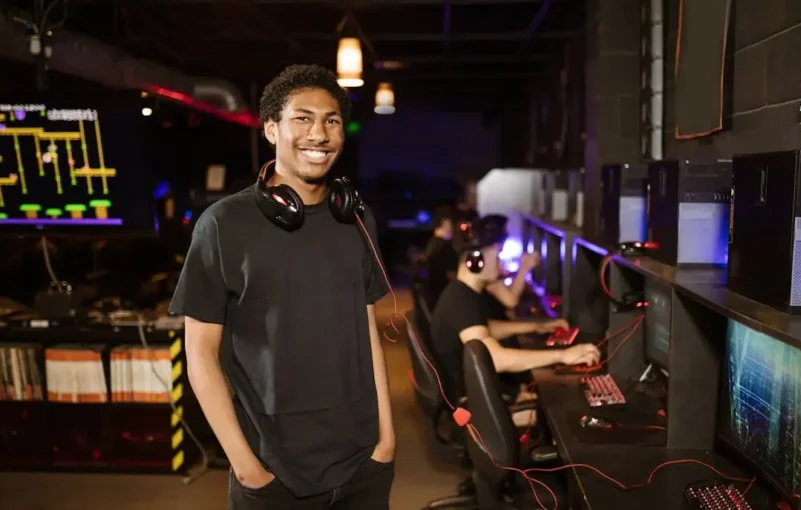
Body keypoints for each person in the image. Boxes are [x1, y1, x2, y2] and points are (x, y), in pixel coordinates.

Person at [169, 65, 395, 510]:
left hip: (362, 465)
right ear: (271, 129)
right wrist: (247, 467)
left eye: (331, 120)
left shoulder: (355, 219)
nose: (319, 133)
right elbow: (199, 354)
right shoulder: (224, 225)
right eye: (302, 118)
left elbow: (367, 329)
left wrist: (386, 440)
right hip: (273, 473)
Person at [430, 215, 601, 404]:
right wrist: (563, 355)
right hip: (470, 406)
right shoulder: (460, 301)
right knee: (558, 405)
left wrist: (538, 327)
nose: (501, 263)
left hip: (477, 394)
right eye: (498, 255)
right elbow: (495, 358)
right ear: (475, 260)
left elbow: (485, 330)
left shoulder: (462, 292)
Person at [419, 206, 458, 311]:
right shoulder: (445, 248)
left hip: (432, 301)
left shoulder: (432, 244)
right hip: (444, 302)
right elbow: (452, 277)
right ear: (446, 223)